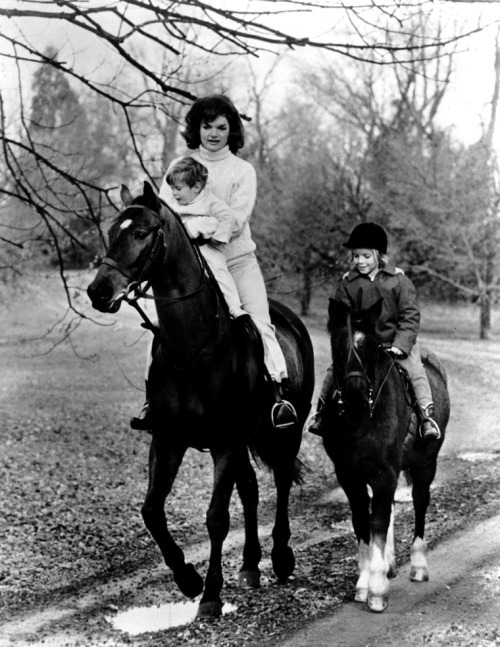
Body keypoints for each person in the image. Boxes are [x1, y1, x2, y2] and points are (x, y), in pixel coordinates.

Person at [131, 95, 297, 431]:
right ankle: (154, 399)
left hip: (236, 262)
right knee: (160, 329)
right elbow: (163, 214)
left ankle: (279, 396)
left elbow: (236, 219)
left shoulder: (242, 170)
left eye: (222, 127)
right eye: (208, 126)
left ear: (232, 130)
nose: (214, 133)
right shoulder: (180, 165)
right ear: (197, 128)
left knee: (259, 324)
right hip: (190, 268)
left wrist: (196, 226)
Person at [306, 222, 441, 441]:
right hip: (362, 346)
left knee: (415, 371)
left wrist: (401, 344)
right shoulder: (348, 284)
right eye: (356, 256)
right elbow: (341, 319)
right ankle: (321, 413)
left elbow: (410, 316)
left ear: (378, 255)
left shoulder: (399, 281)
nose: (360, 261)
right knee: (333, 373)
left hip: (393, 344)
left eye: (366, 256)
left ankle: (426, 417)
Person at [163, 156, 245, 319]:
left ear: (196, 187)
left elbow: (228, 218)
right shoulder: (173, 203)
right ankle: (165, 315)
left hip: (204, 247)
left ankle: (234, 307)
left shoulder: (210, 202)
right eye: (172, 188)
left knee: (218, 271)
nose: (174, 193)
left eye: (178, 188)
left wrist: (218, 238)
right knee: (167, 277)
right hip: (182, 250)